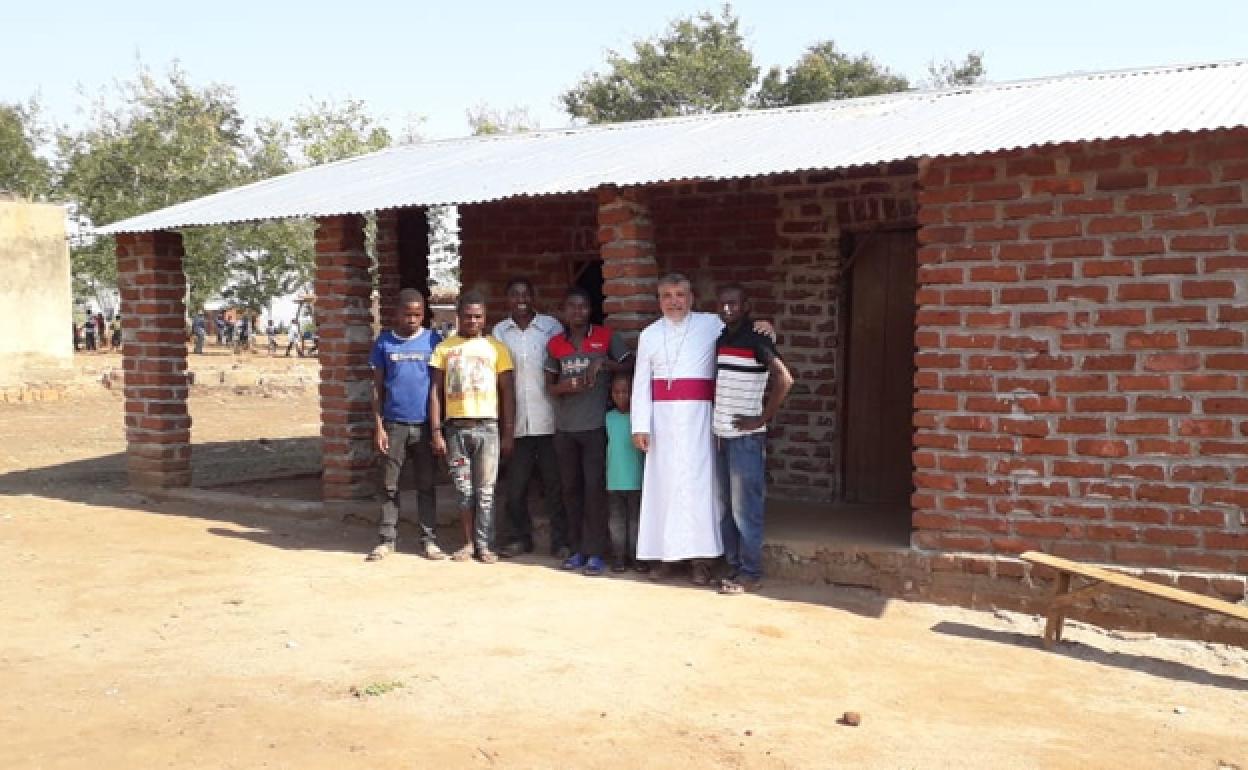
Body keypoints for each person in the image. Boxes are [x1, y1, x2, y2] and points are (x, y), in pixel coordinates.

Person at [712, 284, 794, 594]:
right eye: (723, 304)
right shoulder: (722, 338)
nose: (727, 309)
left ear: (747, 306)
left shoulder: (757, 339)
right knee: (727, 508)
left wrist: (761, 419)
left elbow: (784, 379)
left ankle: (750, 572)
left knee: (745, 509)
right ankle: (735, 566)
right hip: (722, 436)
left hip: (745, 439)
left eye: (733, 304)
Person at [545, 287, 632, 576]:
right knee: (571, 490)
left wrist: (603, 364)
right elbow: (549, 386)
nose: (577, 312)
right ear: (564, 311)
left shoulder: (606, 337)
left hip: (596, 427)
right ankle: (577, 549)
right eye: (572, 307)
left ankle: (596, 553)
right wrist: (566, 387)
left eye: (583, 307)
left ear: (590, 310)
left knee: (595, 490)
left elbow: (631, 364)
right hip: (566, 428)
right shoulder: (556, 343)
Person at [429, 290, 515, 564]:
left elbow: (508, 393)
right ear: (458, 316)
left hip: (488, 429)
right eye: (468, 317)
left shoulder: (496, 349)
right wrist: (436, 430)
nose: (473, 321)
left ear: (485, 318)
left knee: (486, 492)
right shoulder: (445, 348)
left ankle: (484, 544)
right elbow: (435, 391)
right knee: (464, 492)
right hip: (455, 429)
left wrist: (508, 432)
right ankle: (467, 543)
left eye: (478, 317)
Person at [366, 288, 447, 562]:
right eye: (407, 314)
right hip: (394, 424)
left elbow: (441, 386)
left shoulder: (434, 341)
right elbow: (377, 388)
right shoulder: (384, 342)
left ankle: (429, 540)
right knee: (389, 484)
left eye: (417, 314)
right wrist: (378, 426)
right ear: (396, 313)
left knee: (426, 484)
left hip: (424, 425)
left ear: (424, 315)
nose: (412, 319)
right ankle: (387, 539)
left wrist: (438, 428)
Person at [491, 278, 567, 558]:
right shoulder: (499, 332)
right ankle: (518, 538)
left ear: (533, 296)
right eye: (514, 294)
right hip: (517, 423)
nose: (520, 299)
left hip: (550, 419)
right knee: (516, 487)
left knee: (554, 485)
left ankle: (561, 541)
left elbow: (561, 367)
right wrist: (504, 427)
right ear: (507, 299)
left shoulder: (551, 327)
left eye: (525, 293)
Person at [605, 372, 645, 573]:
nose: (621, 396)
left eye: (626, 392)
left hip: (636, 480)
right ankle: (618, 557)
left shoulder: (640, 420)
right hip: (613, 481)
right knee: (617, 522)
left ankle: (635, 556)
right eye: (616, 392)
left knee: (635, 521)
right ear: (611, 394)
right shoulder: (607, 418)